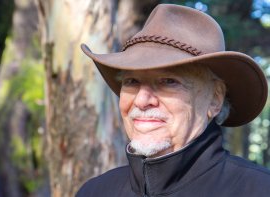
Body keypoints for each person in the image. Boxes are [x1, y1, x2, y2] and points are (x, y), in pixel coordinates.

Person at [77, 4, 270, 197]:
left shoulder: (259, 189)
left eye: (168, 81)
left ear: (215, 99)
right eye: (132, 81)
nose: (142, 100)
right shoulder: (95, 191)